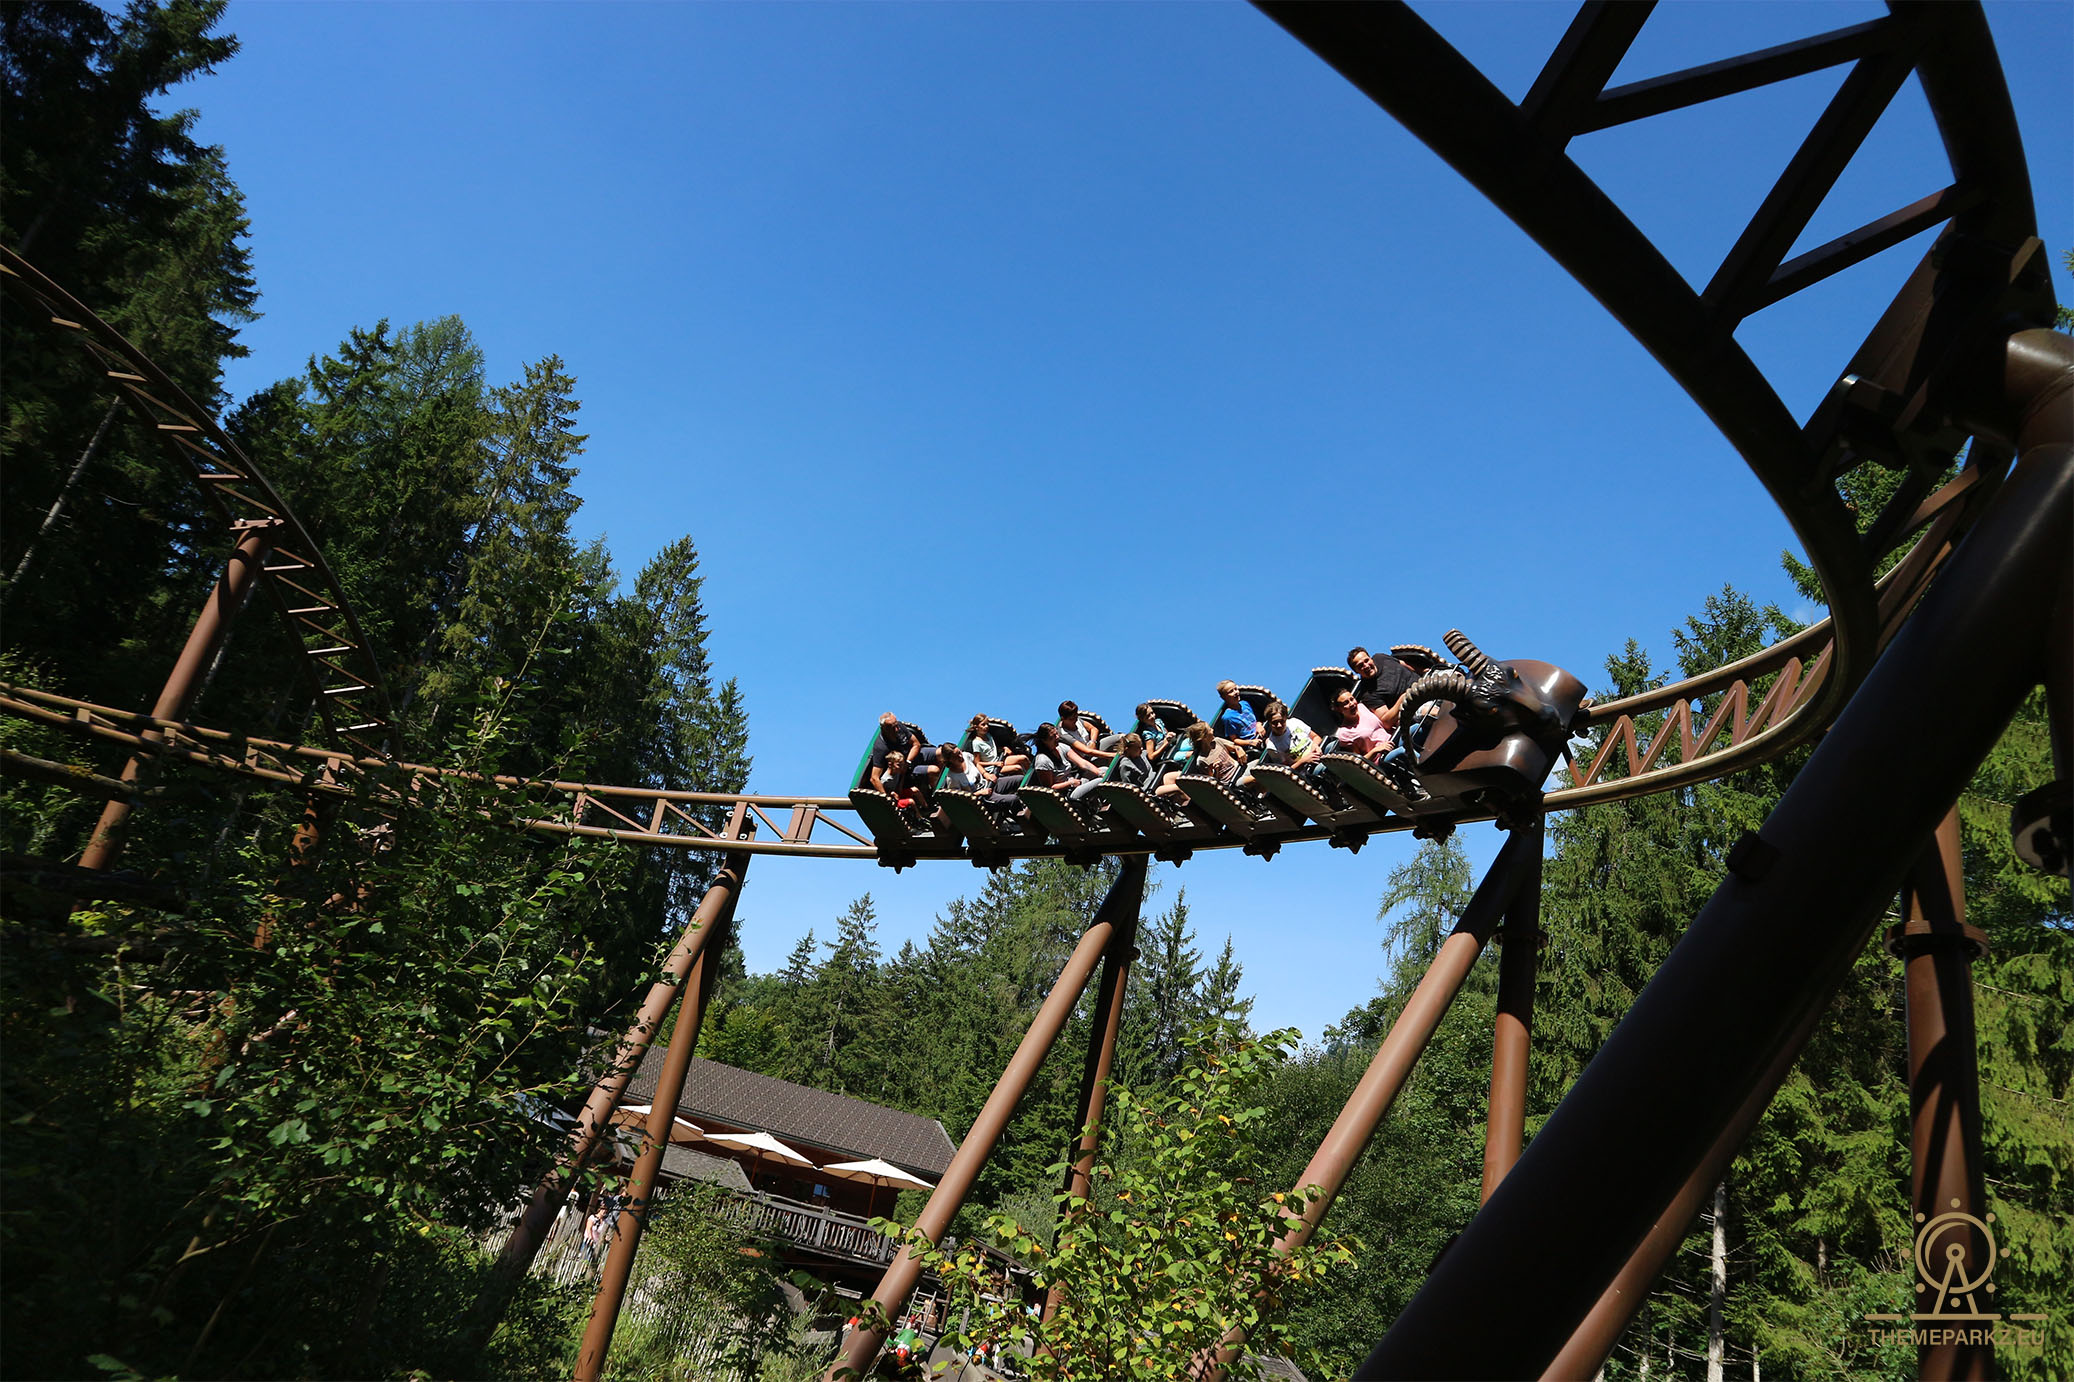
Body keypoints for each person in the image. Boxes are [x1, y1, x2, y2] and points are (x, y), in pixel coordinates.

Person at [1240, 699, 1319, 787]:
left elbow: (1316, 737)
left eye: (1281, 721)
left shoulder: (1294, 723)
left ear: (1285, 718)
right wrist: (1304, 761)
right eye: (1274, 723)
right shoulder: (1272, 746)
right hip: (1306, 770)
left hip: (1318, 754)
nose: (1279, 725)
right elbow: (1285, 770)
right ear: (1269, 723)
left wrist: (1315, 746)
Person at [1157, 721, 1242, 799]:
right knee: (1167, 779)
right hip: (1228, 779)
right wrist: (1214, 769)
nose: (1212, 730)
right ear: (1204, 737)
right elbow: (1212, 780)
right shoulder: (1202, 760)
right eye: (1210, 729)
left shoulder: (1217, 741)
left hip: (1238, 768)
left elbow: (1234, 746)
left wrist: (1238, 749)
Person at [1070, 731, 1154, 801]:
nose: (1141, 749)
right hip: (1141, 790)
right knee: (1101, 778)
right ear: (1128, 749)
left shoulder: (1142, 755)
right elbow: (1128, 786)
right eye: (1138, 748)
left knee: (1104, 770)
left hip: (1149, 783)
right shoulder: (1125, 764)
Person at [1328, 686, 1395, 762]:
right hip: (1381, 757)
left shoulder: (1362, 707)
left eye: (1352, 699)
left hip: (1392, 739)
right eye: (1346, 703)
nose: (1352, 704)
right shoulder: (1344, 733)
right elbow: (1358, 761)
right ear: (1339, 709)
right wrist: (1376, 750)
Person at [1348, 646, 1419, 713]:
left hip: (1424, 684)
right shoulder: (1368, 695)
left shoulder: (1380, 658)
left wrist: (1422, 671)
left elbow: (1403, 664)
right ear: (1356, 671)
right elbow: (1386, 720)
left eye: (1366, 660)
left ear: (1371, 659)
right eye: (1361, 666)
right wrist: (1403, 698)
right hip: (1414, 705)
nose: (1366, 666)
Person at [1055, 700, 1116, 769]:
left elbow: (1093, 729)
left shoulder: (1077, 720)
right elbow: (1086, 751)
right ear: (1063, 718)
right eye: (1072, 719)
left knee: (1120, 738)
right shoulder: (1063, 734)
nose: (1075, 720)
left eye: (1076, 716)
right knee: (1106, 765)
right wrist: (1111, 755)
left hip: (1094, 746)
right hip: (1086, 759)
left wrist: (1093, 742)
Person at [1211, 681, 1262, 751]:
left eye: (1236, 689)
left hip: (1260, 733)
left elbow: (1256, 720)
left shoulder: (1245, 704)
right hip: (1252, 743)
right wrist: (1251, 742)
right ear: (1224, 697)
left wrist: (1259, 725)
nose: (1236, 692)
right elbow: (1234, 739)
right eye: (1231, 691)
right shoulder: (1228, 717)